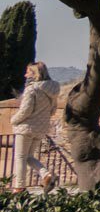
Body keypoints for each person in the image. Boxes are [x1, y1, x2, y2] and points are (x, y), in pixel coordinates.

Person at [10, 62, 59, 192]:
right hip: (40, 128)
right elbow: (53, 110)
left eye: (27, 72)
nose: (25, 75)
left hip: (25, 127)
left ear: (34, 73)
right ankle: (47, 175)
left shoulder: (32, 89)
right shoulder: (52, 91)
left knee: (20, 157)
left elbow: (26, 110)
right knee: (28, 157)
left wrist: (13, 120)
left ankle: (19, 187)